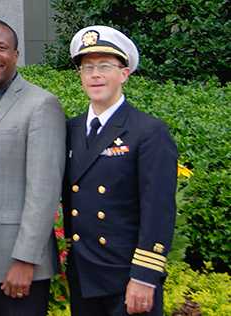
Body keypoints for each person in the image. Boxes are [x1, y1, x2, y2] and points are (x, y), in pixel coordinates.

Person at [63, 25, 177, 316]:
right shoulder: (71, 129)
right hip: (83, 274)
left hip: (126, 276)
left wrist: (144, 276)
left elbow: (159, 210)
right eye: (87, 68)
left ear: (124, 73)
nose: (95, 75)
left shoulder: (148, 132)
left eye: (104, 66)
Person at [0, 20, 66, 315]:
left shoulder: (41, 105)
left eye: (1, 47)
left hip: (18, 266)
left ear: (16, 54)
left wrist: (25, 259)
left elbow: (44, 191)